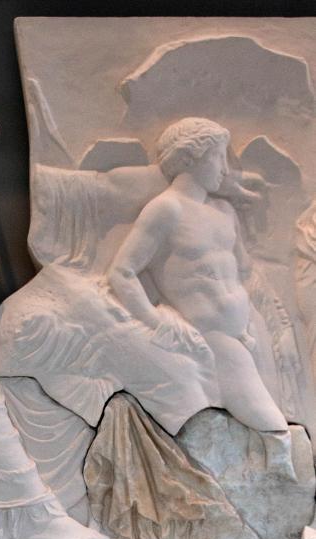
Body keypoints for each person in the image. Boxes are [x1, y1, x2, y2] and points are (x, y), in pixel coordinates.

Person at [107, 116, 294, 476]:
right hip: (209, 335)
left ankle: (269, 475)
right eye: (218, 157)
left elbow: (243, 270)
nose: (225, 168)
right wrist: (155, 321)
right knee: (271, 424)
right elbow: (121, 272)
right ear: (190, 157)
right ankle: (278, 472)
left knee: (279, 407)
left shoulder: (223, 211)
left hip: (246, 331)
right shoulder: (167, 209)